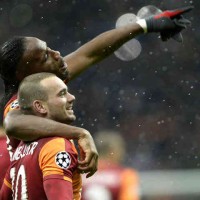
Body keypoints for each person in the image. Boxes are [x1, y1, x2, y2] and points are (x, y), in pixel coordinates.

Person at [0, 5, 193, 186]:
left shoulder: (44, 82)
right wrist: (80, 133)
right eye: (44, 56)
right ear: (25, 74)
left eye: (48, 48)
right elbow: (13, 122)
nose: (56, 53)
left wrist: (146, 24)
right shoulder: (20, 101)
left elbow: (91, 53)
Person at [1, 72, 83, 200]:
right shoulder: (56, 146)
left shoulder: (20, 149)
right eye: (62, 94)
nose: (72, 97)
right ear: (40, 106)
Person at [82, 130, 140, 200]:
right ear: (112, 150)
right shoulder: (125, 175)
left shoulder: (79, 174)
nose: (123, 153)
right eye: (121, 148)